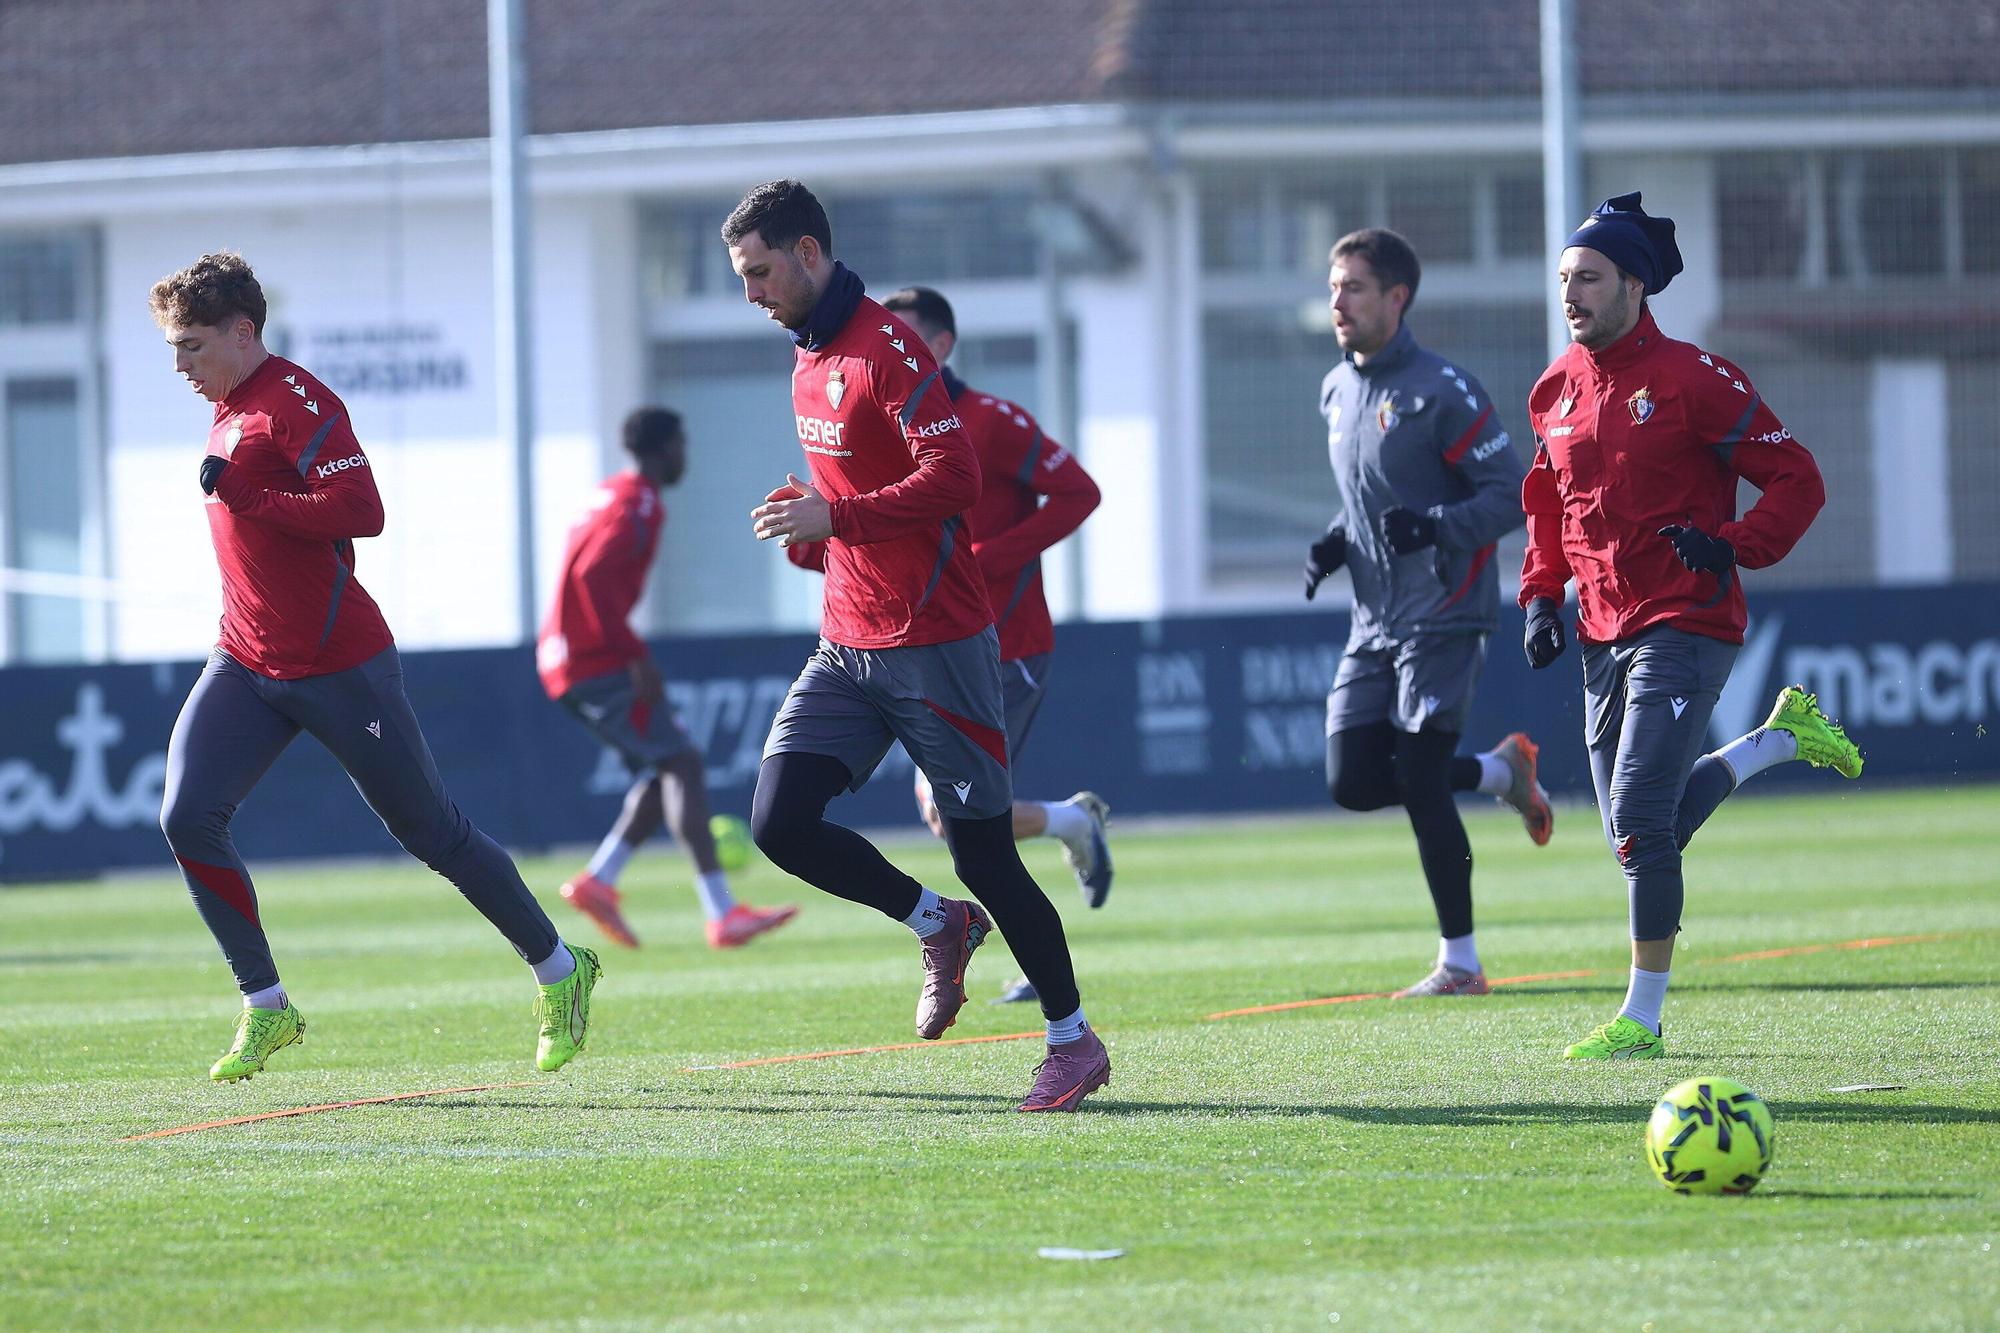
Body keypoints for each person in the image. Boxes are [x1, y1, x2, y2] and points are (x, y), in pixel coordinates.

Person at [149, 252, 601, 1082]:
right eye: (173, 347)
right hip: (244, 657)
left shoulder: (297, 401)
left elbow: (365, 511)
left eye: (191, 345)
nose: (178, 364)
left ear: (243, 332)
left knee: (433, 834)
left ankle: (560, 969)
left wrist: (252, 498)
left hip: (340, 665)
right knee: (185, 815)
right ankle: (266, 1004)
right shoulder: (228, 408)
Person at [725, 179, 1110, 1111]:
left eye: (760, 272)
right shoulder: (807, 356)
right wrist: (817, 521)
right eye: (741, 277)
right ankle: (937, 922)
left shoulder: (887, 348)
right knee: (779, 822)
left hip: (938, 643)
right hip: (847, 643)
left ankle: (1073, 1040)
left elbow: (956, 477)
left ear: (809, 252)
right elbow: (857, 491)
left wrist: (837, 515)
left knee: (985, 854)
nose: (752, 293)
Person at [1520, 193, 1862, 1060]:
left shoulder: (1696, 379)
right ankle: (1777, 741)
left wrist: (1731, 545)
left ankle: (1641, 1020)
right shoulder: (1553, 390)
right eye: (1564, 278)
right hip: (1601, 630)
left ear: (1635, 286)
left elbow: (1798, 478)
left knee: (1639, 818)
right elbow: (1548, 507)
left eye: (1589, 277)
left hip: (1686, 619)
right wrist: (1541, 597)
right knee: (1636, 833)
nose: (1571, 294)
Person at [787, 285, 1112, 1007]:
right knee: (948, 823)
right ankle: (1062, 830)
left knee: (966, 829)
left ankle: (1053, 992)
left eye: (904, 335)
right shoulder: (858, 395)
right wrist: (811, 539)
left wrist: (993, 556)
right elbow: (860, 519)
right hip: (885, 639)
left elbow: (1079, 493)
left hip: (1001, 640)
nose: (887, 345)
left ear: (940, 345)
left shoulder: (991, 420)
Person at [1308, 227, 1554, 999]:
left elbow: (1512, 493)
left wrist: (1436, 528)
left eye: (1353, 287)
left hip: (1445, 611)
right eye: (1334, 286)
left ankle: (1462, 963)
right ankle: (1500, 772)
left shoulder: (1445, 389)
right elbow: (1371, 499)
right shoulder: (1336, 388)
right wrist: (1337, 541)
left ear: (1397, 297)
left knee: (1419, 777)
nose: (1338, 301)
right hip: (1373, 620)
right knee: (1352, 780)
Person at [537, 408, 798, 951]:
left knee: (664, 771)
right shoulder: (640, 504)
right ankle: (721, 913)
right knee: (683, 763)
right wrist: (635, 656)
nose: (686, 455)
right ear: (664, 447)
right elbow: (591, 576)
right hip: (593, 659)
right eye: (682, 444)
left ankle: (599, 880)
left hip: (564, 654)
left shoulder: (608, 493)